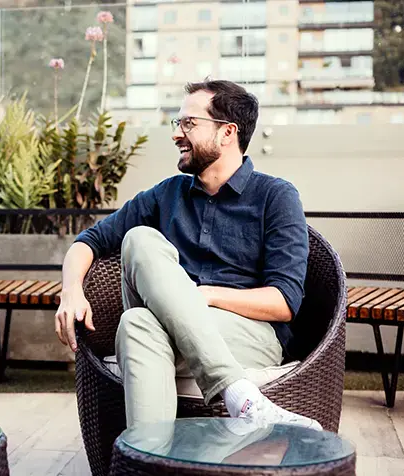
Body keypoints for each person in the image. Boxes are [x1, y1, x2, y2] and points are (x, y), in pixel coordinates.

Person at [54, 79, 322, 430]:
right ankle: (235, 395)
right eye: (177, 123)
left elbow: (284, 302)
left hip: (249, 334)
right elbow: (88, 241)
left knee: (137, 323)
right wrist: (72, 289)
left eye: (189, 123)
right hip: (175, 332)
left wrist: (203, 296)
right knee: (138, 243)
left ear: (227, 132)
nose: (177, 133)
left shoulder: (276, 196)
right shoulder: (167, 194)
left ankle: (146, 461)